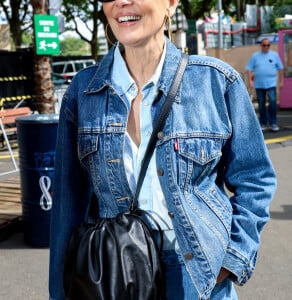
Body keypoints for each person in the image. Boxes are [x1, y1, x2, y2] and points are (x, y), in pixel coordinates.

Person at [49, 1, 277, 299]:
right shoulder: (83, 90)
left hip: (199, 276)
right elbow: (67, 201)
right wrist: (59, 291)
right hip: (115, 275)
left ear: (170, 3)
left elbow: (255, 179)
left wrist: (232, 258)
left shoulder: (215, 81)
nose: (122, 2)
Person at [246, 38, 284, 131]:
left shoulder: (274, 55)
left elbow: (281, 68)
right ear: (261, 45)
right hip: (259, 84)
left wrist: (281, 81)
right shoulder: (255, 56)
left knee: (273, 102)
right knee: (261, 104)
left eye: (268, 45)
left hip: (271, 83)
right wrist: (250, 81)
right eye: (264, 45)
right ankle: (263, 123)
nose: (266, 47)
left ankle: (273, 122)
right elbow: (249, 69)